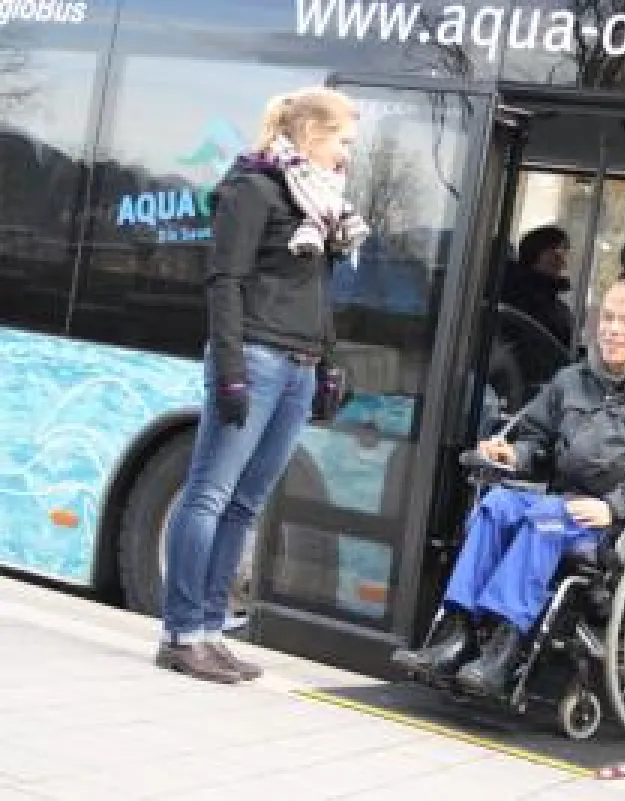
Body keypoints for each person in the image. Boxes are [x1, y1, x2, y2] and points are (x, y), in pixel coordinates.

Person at [392, 280, 625, 697]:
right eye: (607, 317)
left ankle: (505, 651)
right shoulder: (572, 380)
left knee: (545, 519)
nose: (612, 329)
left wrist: (614, 506)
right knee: (497, 504)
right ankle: (457, 634)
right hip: (559, 503)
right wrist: (513, 456)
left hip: (613, 524)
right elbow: (537, 441)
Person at [156, 87, 366, 683]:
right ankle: (181, 633)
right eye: (344, 141)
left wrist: (326, 364)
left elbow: (316, 295)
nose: (348, 155)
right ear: (311, 135)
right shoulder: (252, 188)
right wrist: (230, 370)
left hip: (299, 367)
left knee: (246, 504)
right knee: (208, 496)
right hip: (255, 357)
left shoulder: (321, 204)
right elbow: (225, 281)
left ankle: (212, 629)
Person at [500, 224, 574, 348]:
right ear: (535, 252)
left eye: (564, 255)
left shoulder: (554, 303)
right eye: (556, 254)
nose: (562, 263)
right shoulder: (516, 295)